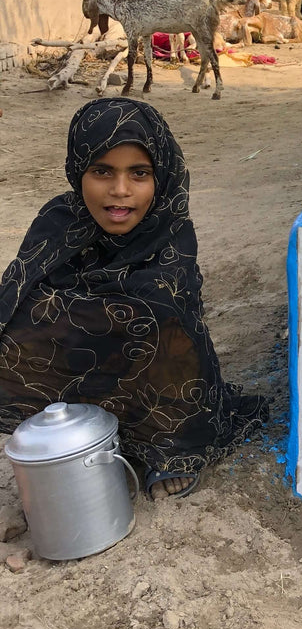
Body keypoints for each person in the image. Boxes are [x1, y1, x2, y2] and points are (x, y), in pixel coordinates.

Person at [0, 98, 267, 498]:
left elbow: (176, 320)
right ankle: (74, 426)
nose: (120, 191)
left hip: (152, 381)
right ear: (78, 172)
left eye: (139, 173)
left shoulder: (169, 232)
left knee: (162, 315)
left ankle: (169, 447)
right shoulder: (58, 221)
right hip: (85, 362)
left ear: (161, 176)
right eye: (102, 172)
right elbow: (15, 298)